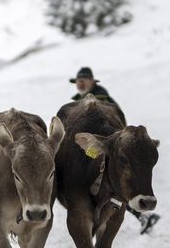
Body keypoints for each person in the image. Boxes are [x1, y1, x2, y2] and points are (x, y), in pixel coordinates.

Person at [68, 66, 159, 235]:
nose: (80, 84)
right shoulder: (79, 99)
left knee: (114, 185)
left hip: (106, 148)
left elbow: (115, 124)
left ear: (92, 81)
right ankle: (141, 216)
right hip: (94, 147)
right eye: (78, 81)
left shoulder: (100, 99)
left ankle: (140, 216)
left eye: (84, 80)